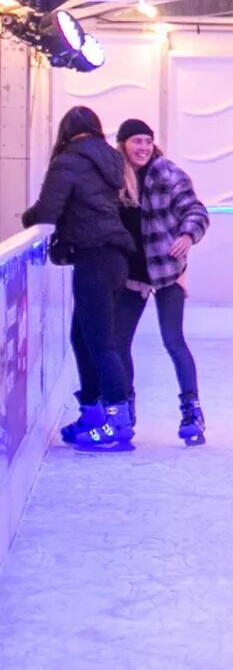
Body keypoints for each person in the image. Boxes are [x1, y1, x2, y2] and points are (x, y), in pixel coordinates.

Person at [23, 107, 144, 452]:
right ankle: (92, 412)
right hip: (113, 257)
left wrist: (25, 218)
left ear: (67, 131)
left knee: (101, 342)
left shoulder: (69, 161)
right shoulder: (110, 158)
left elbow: (47, 212)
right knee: (83, 337)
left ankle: (117, 422)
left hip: (96, 258)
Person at [112, 120, 211, 447]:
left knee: (173, 340)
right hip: (133, 274)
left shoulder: (167, 174)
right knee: (118, 342)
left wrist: (187, 234)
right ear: (123, 143)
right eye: (136, 141)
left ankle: (192, 412)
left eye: (147, 141)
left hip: (168, 270)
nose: (142, 148)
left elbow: (196, 211)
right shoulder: (115, 176)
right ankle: (125, 410)